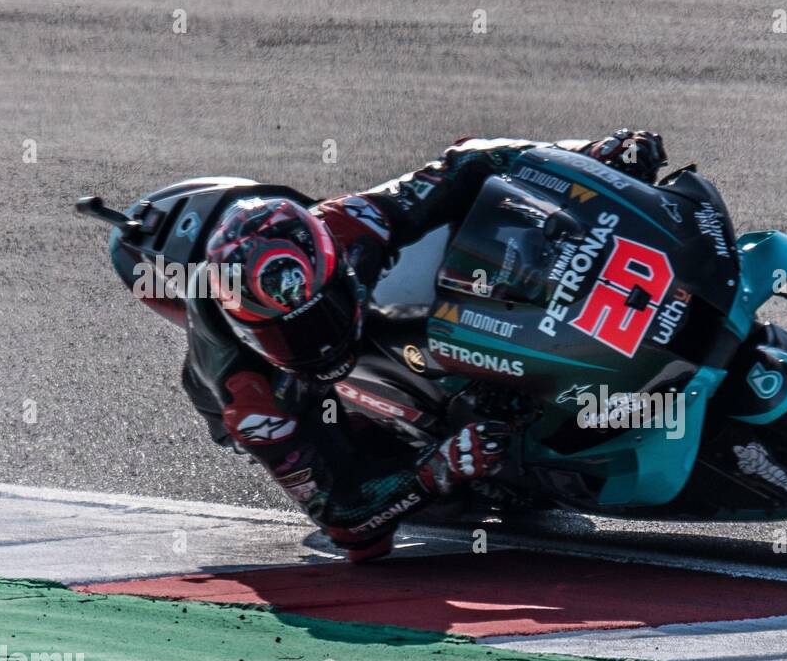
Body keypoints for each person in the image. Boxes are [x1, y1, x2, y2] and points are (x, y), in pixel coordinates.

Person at [181, 130, 667, 562]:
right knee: (435, 491)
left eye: (324, 311)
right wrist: (435, 472)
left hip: (375, 311)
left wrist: (588, 152)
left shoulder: (349, 225)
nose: (317, 340)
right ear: (249, 329)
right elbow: (347, 525)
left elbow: (470, 161)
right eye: (290, 334)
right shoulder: (254, 406)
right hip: (308, 405)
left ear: (332, 265)